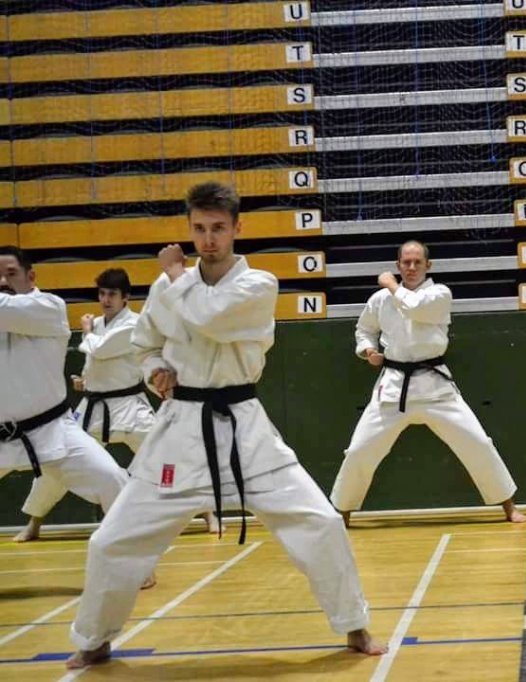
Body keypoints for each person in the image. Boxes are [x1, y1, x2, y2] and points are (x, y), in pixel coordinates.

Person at [66, 182, 385, 669]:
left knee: (319, 522)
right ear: (190, 229)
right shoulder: (168, 288)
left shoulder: (257, 285)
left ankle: (354, 623)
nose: (208, 239)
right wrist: (155, 370)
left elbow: (209, 317)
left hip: (245, 428)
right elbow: (145, 343)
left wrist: (176, 275)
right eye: (199, 229)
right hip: (180, 430)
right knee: (112, 541)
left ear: (237, 227)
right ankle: (94, 638)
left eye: (218, 228)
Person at [12, 269, 220, 542]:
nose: (106, 300)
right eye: (102, 294)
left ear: (125, 298)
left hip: (129, 407)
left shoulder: (133, 324)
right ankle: (34, 522)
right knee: (54, 465)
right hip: (93, 409)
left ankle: (207, 513)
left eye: (112, 294)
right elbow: (94, 362)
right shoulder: (97, 324)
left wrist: (87, 332)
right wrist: (85, 381)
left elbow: (101, 349)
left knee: (167, 457)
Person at [330, 241, 526, 525]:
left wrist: (391, 284)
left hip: (436, 386)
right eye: (406, 262)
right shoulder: (380, 299)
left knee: (478, 443)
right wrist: (368, 349)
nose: (411, 268)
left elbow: (414, 308)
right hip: (393, 387)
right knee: (360, 450)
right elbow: (364, 329)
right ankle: (342, 512)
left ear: (428, 265)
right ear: (398, 265)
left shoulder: (439, 294)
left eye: (417, 262)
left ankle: (508, 506)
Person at [0, 247, 129, 541]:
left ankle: (131, 557)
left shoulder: (49, 307)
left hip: (52, 429)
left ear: (31, 276)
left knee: (112, 479)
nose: (4, 281)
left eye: (11, 274)